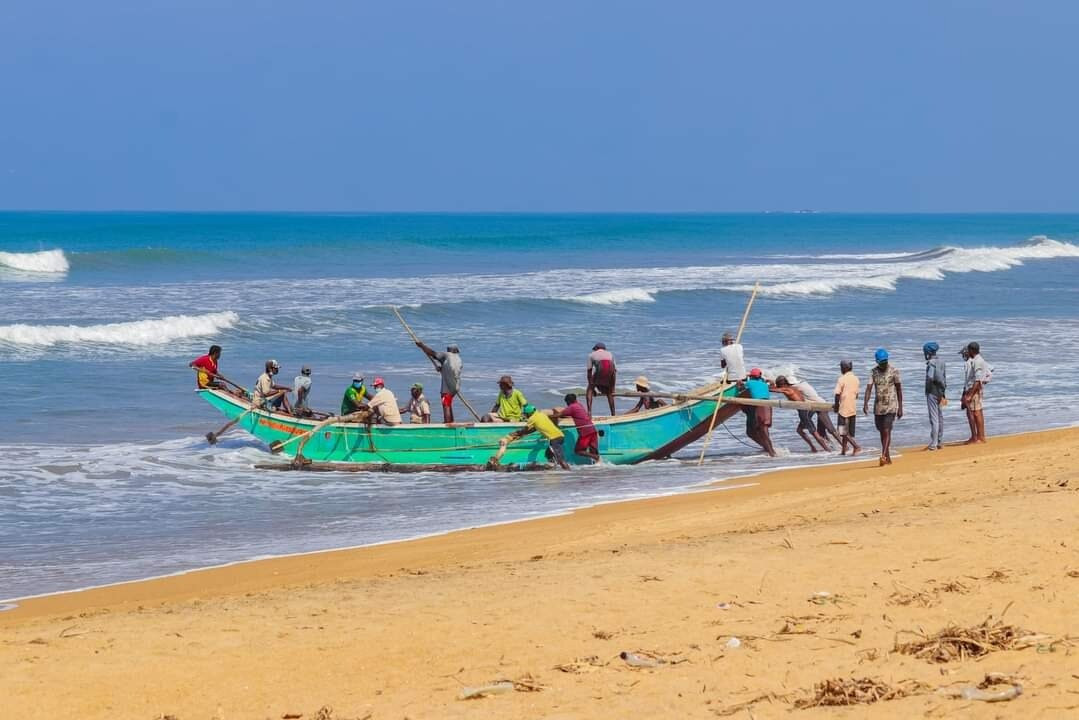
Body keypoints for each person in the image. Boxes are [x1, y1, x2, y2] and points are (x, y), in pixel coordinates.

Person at [863, 348, 902, 466]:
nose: (883, 364)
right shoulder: (873, 372)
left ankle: (883, 455)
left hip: (891, 406)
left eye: (885, 361)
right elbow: (869, 388)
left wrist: (900, 407)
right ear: (877, 361)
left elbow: (899, 389)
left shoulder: (894, 371)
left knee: (887, 430)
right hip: (878, 407)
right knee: (881, 432)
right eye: (881, 362)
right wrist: (865, 403)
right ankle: (888, 457)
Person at [772, 376, 830, 452]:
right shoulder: (793, 388)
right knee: (799, 430)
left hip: (803, 411)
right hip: (807, 409)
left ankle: (828, 450)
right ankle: (813, 448)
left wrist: (766, 386)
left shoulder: (786, 389)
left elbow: (773, 390)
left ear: (782, 384)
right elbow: (775, 388)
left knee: (813, 432)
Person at [505, 404, 571, 470]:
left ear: (529, 413)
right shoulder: (541, 414)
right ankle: (553, 469)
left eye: (526, 414)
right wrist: (523, 434)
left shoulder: (532, 418)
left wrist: (515, 434)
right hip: (560, 436)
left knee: (560, 459)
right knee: (548, 454)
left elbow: (525, 429)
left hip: (555, 439)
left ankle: (568, 472)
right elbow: (534, 429)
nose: (525, 415)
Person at [417, 341, 463, 423]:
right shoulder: (459, 359)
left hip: (448, 387)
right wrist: (442, 368)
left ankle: (447, 423)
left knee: (446, 405)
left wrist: (422, 346)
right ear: (456, 351)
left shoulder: (447, 355)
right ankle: (451, 421)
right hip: (456, 387)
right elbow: (451, 369)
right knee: (448, 403)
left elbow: (433, 354)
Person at [790, 374, 841, 446]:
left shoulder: (795, 387)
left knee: (830, 429)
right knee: (822, 432)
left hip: (820, 406)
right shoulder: (804, 383)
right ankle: (832, 447)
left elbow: (779, 388)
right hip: (819, 405)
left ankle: (843, 446)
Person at [554, 393, 600, 463]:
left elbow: (559, 415)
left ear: (568, 401)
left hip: (585, 432)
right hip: (592, 429)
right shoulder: (579, 405)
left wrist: (547, 416)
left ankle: (595, 457)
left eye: (567, 402)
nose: (567, 404)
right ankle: (598, 466)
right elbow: (572, 414)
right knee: (593, 450)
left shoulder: (572, 407)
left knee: (578, 451)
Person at [742, 368, 776, 457]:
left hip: (759, 405)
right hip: (768, 405)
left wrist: (739, 383)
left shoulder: (749, 383)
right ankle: (769, 449)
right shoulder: (764, 384)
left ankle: (771, 452)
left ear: (751, 377)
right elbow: (771, 385)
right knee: (764, 430)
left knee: (762, 430)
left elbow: (740, 389)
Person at [962, 341, 991, 444]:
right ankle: (979, 437)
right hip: (977, 389)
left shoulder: (977, 361)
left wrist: (970, 394)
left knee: (976, 413)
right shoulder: (980, 360)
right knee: (977, 412)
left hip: (974, 390)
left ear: (971, 351)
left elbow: (978, 379)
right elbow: (989, 372)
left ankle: (979, 437)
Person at [833, 360, 862, 456]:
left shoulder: (841, 379)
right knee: (848, 431)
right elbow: (856, 395)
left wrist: (836, 405)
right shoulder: (856, 379)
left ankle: (856, 446)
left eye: (841, 367)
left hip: (844, 407)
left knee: (842, 431)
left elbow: (837, 394)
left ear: (844, 368)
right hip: (853, 407)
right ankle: (844, 450)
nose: (840, 369)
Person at [923, 342, 947, 450]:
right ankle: (940, 441)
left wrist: (927, 390)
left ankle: (934, 443)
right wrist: (943, 393)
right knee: (940, 416)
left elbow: (930, 378)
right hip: (940, 391)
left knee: (934, 418)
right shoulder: (942, 362)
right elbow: (944, 377)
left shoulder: (931, 363)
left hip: (932, 391)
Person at [586, 342, 617, 416]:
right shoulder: (610, 354)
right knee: (609, 392)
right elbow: (614, 371)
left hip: (601, 368)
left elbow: (589, 372)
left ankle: (589, 412)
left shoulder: (591, 355)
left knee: (589, 390)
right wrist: (613, 386)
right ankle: (613, 414)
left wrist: (592, 387)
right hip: (611, 369)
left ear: (596, 349)